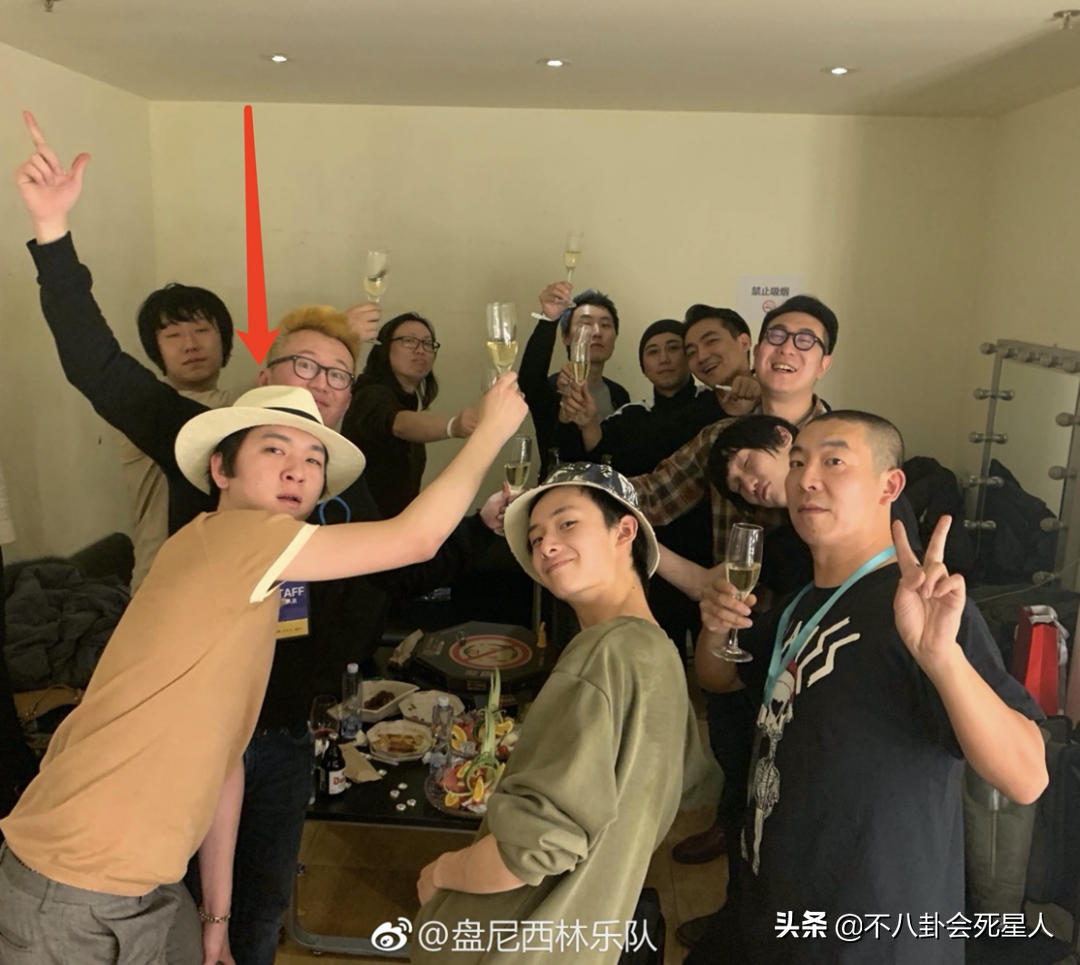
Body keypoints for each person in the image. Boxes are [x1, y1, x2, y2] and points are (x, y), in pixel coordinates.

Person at [13, 112, 509, 965]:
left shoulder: (337, 486)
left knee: (251, 912)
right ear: (259, 382)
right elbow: (98, 364)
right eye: (301, 366)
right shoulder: (217, 467)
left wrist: (481, 525)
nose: (320, 384)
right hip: (130, 786)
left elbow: (398, 562)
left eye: (337, 375)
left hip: (268, 725)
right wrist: (54, 236)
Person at [0, 376, 526, 965]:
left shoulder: (254, 586)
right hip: (71, 881)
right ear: (221, 470)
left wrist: (216, 918)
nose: (297, 470)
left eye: (314, 459)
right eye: (274, 449)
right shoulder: (232, 537)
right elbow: (416, 539)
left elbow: (225, 764)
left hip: (148, 882)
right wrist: (492, 430)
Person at [688, 411, 1047, 965]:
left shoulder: (924, 608)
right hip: (777, 912)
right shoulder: (800, 606)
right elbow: (719, 678)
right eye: (798, 462)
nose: (807, 478)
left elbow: (1027, 777)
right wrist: (716, 627)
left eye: (834, 461)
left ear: (889, 485)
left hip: (872, 934)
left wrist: (942, 658)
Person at [413, 462, 721, 964]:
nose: (547, 545)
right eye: (536, 538)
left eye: (567, 523)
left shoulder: (602, 657)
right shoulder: (660, 654)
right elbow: (687, 786)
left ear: (624, 531)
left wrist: (443, 872)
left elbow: (533, 849)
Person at [634, 293, 837, 571]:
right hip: (729, 598)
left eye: (805, 340)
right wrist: (583, 485)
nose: (786, 348)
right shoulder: (720, 437)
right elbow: (652, 497)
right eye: (776, 336)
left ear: (823, 365)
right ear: (757, 351)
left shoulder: (844, 447)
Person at [122, 283, 240, 590]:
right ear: (156, 349)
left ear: (224, 339)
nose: (190, 345)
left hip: (228, 582)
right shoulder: (149, 410)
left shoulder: (237, 401)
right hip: (160, 586)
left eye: (201, 330)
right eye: (173, 335)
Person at [341, 312, 479, 517]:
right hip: (360, 527)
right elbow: (400, 424)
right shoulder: (371, 394)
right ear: (385, 348)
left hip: (393, 527)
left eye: (427, 344)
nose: (420, 350)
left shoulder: (407, 401)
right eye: (409, 341)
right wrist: (454, 426)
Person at [519, 283, 629, 479]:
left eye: (605, 325)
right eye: (585, 324)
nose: (596, 332)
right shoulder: (552, 388)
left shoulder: (619, 394)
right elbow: (529, 379)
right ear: (566, 337)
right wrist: (549, 320)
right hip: (556, 491)